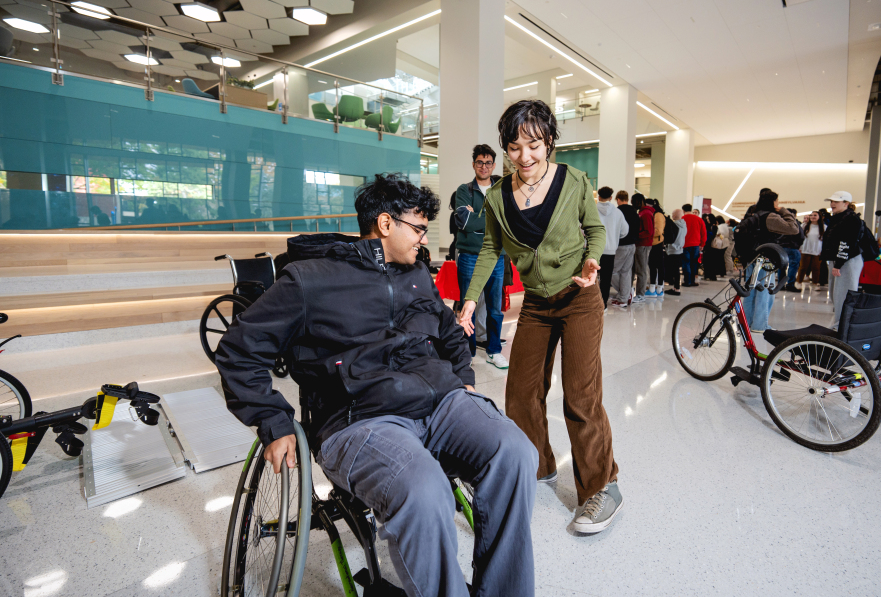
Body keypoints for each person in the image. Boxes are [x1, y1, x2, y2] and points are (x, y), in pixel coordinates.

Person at [216, 173, 537, 597]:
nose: (424, 239)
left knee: (516, 452)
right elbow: (239, 350)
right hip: (359, 419)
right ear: (386, 224)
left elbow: (448, 330)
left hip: (439, 401)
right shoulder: (309, 280)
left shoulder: (417, 274)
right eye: (419, 228)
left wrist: (464, 380)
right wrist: (273, 420)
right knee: (424, 493)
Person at [458, 99, 622, 534]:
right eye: (514, 148)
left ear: (549, 141)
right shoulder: (496, 196)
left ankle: (602, 487)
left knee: (580, 396)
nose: (525, 157)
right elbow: (491, 249)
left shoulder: (573, 180)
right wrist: (470, 299)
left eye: (534, 145)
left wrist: (591, 261)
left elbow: (595, 229)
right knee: (521, 394)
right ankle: (540, 465)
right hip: (535, 302)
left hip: (579, 296)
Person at [454, 144, 508, 368]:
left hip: (496, 255)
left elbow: (507, 221)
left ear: (493, 165)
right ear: (474, 164)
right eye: (479, 162)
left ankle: (494, 350)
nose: (484, 167)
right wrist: (490, 216)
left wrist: (477, 214)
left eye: (488, 163)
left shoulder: (503, 190)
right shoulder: (464, 190)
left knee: (495, 309)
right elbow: (465, 223)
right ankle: (469, 351)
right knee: (469, 306)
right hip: (469, 255)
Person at [740, 190, 799, 332]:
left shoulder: (753, 214)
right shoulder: (770, 217)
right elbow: (794, 229)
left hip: (751, 258)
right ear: (773, 202)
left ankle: (746, 324)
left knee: (750, 291)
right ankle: (760, 325)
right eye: (777, 201)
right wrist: (785, 211)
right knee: (764, 292)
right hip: (766, 259)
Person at [821, 190, 864, 328]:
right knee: (836, 295)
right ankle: (839, 323)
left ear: (846, 203)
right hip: (839, 260)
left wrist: (838, 264)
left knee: (844, 295)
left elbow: (848, 242)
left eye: (835, 202)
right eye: (831, 201)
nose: (832, 204)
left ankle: (843, 326)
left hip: (847, 261)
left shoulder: (850, 219)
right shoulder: (838, 218)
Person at [596, 186, 628, 307]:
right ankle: (603, 304)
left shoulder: (592, 210)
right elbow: (625, 231)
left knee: (591, 277)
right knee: (606, 278)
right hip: (610, 251)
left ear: (599, 197)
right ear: (611, 197)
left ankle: (590, 303)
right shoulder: (617, 212)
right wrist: (614, 237)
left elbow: (582, 228)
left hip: (594, 249)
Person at [612, 190, 640, 307]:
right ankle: (623, 298)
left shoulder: (617, 212)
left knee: (612, 271)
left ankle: (626, 293)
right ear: (627, 199)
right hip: (632, 245)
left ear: (618, 200)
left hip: (621, 245)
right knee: (626, 272)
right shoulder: (634, 212)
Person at [634, 193, 655, 302]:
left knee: (641, 270)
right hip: (641, 244)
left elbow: (648, 231)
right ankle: (639, 293)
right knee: (639, 269)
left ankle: (640, 294)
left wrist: (636, 235)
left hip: (643, 244)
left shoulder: (646, 213)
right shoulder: (642, 212)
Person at [680, 204, 707, 287]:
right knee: (694, 263)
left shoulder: (682, 219)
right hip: (696, 244)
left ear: (683, 211)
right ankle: (692, 281)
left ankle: (687, 281)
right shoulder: (699, 219)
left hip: (685, 244)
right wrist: (702, 244)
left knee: (686, 263)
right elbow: (703, 233)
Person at [796, 210, 823, 290]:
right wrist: (800, 247)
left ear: (819, 217)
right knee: (803, 267)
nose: (813, 217)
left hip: (817, 250)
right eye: (811, 215)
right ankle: (798, 282)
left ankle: (815, 283)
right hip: (805, 249)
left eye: (815, 215)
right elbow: (800, 237)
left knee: (816, 268)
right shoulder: (804, 225)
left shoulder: (823, 227)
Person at [779, 208, 804, 292]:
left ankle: (781, 285)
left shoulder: (780, 223)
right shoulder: (796, 223)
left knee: (781, 266)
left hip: (782, 248)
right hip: (793, 248)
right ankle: (790, 284)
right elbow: (801, 236)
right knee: (793, 267)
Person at [646, 198, 666, 297]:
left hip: (656, 244)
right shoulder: (655, 214)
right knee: (653, 266)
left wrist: (647, 233)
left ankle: (658, 289)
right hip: (653, 243)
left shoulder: (657, 215)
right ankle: (654, 288)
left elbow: (658, 231)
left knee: (657, 267)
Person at [664, 209, 687, 296]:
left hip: (672, 249)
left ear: (676, 215)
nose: (672, 215)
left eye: (673, 214)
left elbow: (670, 237)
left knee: (674, 270)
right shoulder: (684, 225)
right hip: (679, 249)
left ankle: (676, 289)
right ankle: (676, 287)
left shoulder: (674, 225)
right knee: (676, 270)